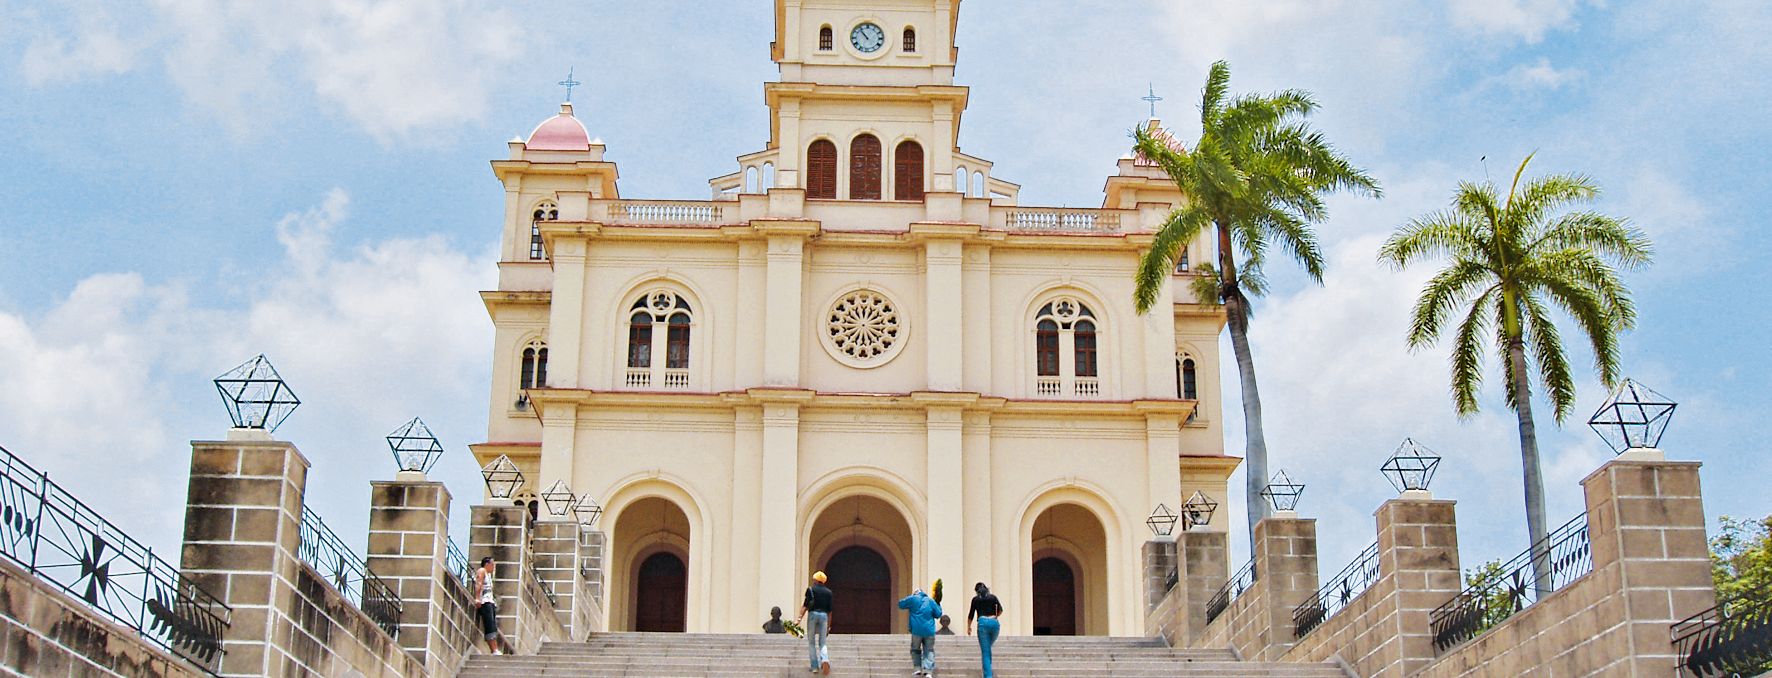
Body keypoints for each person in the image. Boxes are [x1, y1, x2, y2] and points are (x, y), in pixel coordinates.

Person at [897, 586, 943, 677]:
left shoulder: (912, 599)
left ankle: (917, 668)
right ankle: (928, 671)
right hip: (929, 630)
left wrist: (910, 598)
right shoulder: (930, 601)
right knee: (929, 650)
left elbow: (900, 604)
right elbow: (938, 614)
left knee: (915, 649)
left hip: (916, 630)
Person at [796, 571, 833, 675]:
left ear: (816, 580)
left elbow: (805, 605)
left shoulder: (811, 590)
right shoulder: (829, 592)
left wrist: (799, 619)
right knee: (823, 643)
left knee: (811, 642)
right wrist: (829, 626)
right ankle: (825, 659)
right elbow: (830, 611)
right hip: (824, 616)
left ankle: (814, 667)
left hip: (813, 614)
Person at [967, 582, 1004, 678]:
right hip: (994, 623)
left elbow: (971, 614)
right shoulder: (993, 597)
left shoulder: (975, 599)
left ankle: (988, 675)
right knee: (987, 648)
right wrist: (994, 616)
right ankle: (988, 670)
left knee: (985, 651)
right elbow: (1000, 610)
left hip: (982, 623)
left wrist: (969, 627)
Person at [473, 556, 503, 656]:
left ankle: (495, 649)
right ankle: (493, 649)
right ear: (487, 564)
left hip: (490, 602)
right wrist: (477, 598)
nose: (493, 567)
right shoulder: (482, 571)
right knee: (489, 625)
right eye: (492, 564)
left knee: (493, 626)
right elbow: (479, 584)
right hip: (485, 602)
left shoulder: (489, 575)